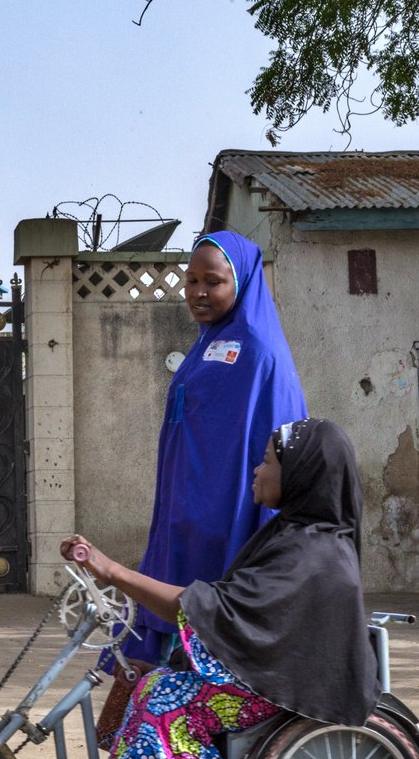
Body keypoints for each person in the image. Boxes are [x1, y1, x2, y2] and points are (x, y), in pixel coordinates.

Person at [63, 418, 379, 759]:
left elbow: (214, 610)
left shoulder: (311, 553)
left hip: (282, 687)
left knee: (163, 693)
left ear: (299, 474)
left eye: (266, 462)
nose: (256, 470)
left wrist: (115, 574)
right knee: (134, 679)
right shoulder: (293, 535)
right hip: (264, 673)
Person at [110, 231, 308, 673]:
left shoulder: (260, 354)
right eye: (191, 280)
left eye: (213, 281)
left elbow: (275, 446)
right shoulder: (206, 344)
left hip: (226, 518)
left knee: (200, 639)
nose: (199, 292)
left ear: (241, 283)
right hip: (183, 511)